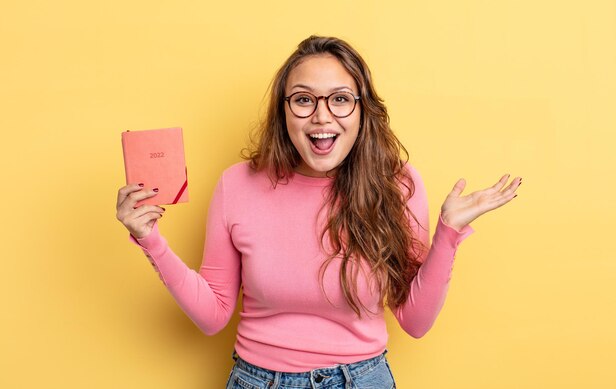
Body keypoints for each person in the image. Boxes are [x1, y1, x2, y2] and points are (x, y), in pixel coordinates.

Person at [115, 35, 521, 389]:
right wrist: (149, 239)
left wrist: (448, 234)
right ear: (284, 111)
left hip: (363, 381)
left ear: (363, 112)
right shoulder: (237, 185)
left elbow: (415, 322)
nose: (322, 116)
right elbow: (213, 316)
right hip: (258, 381)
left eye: (341, 99)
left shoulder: (397, 185)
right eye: (304, 99)